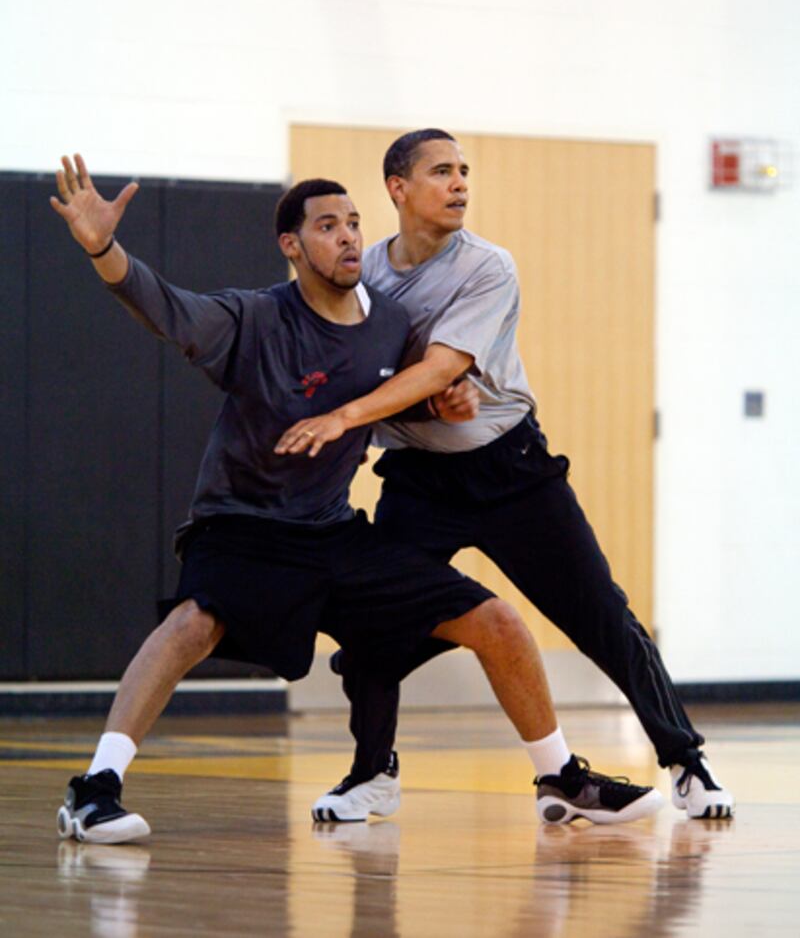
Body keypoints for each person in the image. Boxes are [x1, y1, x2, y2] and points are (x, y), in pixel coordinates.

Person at [50, 155, 661, 844]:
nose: (346, 238)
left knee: (498, 622)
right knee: (194, 622)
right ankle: (95, 786)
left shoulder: (391, 323)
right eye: (327, 226)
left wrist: (448, 398)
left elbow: (423, 388)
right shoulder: (252, 318)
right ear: (292, 245)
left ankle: (559, 777)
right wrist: (103, 247)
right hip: (243, 525)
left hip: (331, 530)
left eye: (353, 223)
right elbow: (161, 305)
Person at [275, 129, 735, 823]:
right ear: (398, 189)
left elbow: (439, 364)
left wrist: (381, 407)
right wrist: (422, 403)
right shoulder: (362, 274)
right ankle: (372, 773)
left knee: (603, 616)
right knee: (370, 628)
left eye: (464, 171)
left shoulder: (488, 266)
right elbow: (365, 363)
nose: (460, 183)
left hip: (511, 471)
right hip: (420, 482)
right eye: (441, 172)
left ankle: (686, 761)